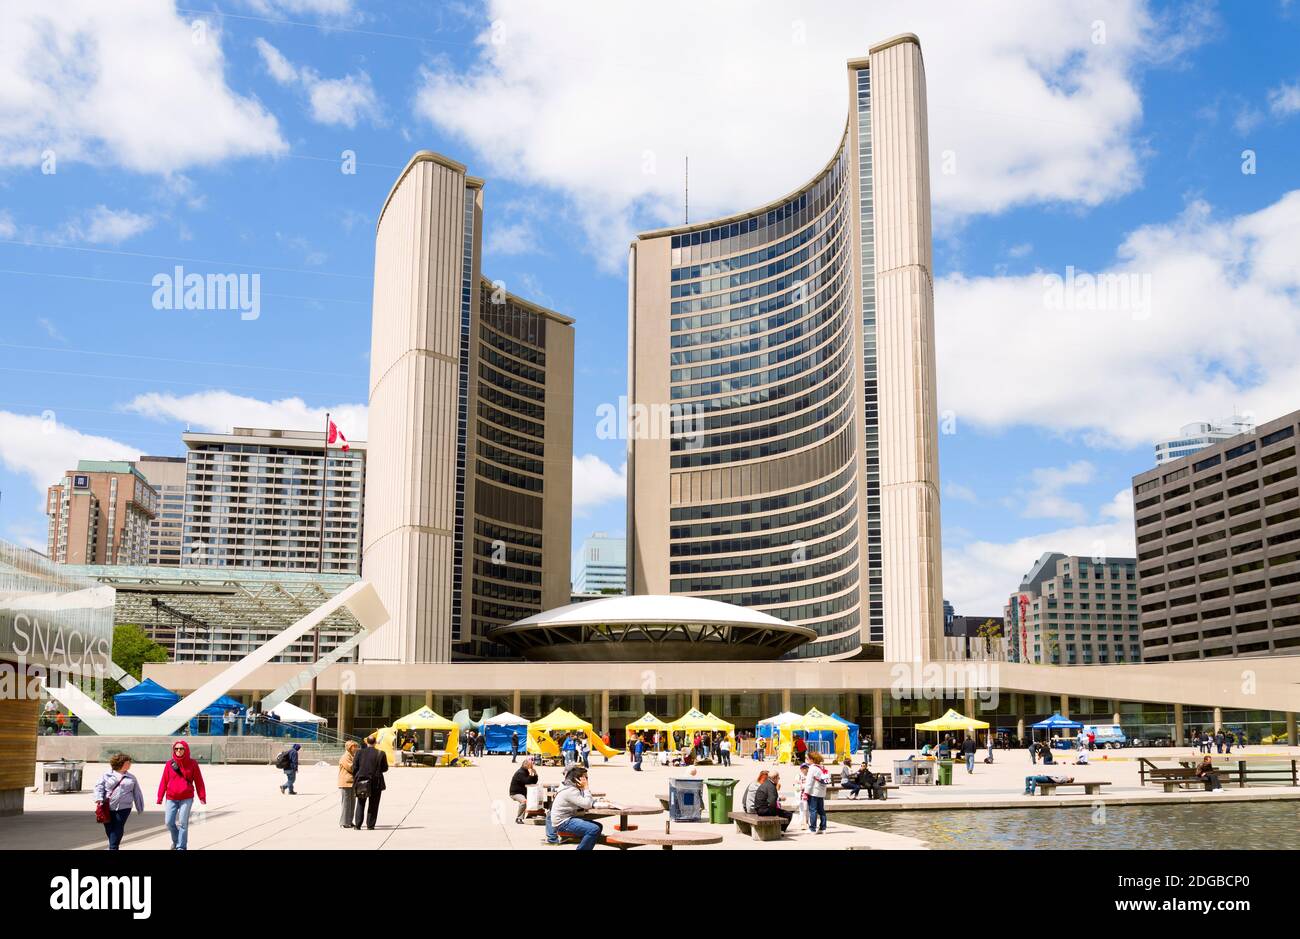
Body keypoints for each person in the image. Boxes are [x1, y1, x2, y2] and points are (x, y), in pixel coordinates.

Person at [157, 740, 206, 851]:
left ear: (186, 749)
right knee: (169, 822)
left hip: (186, 798)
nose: (178, 750)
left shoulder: (193, 763)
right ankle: (176, 841)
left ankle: (181, 847)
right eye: (176, 749)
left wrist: (202, 796)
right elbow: (164, 781)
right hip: (171, 798)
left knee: (183, 823)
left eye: (181, 748)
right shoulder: (169, 764)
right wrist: (160, 797)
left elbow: (199, 781)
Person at [94, 753, 144, 850]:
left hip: (124, 807)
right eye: (128, 763)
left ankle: (113, 847)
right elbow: (99, 787)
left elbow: (137, 792)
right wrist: (98, 798)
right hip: (107, 806)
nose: (130, 764)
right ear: (121, 763)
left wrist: (139, 806)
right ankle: (113, 844)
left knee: (118, 827)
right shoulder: (107, 775)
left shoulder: (131, 777)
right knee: (109, 828)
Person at [550, 765, 601, 850]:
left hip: (567, 818)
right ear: (577, 779)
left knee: (598, 826)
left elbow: (584, 801)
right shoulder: (570, 790)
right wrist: (586, 788)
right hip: (563, 822)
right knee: (593, 829)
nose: (587, 781)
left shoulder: (571, 787)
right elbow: (587, 804)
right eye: (585, 778)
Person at [352, 733, 388, 830]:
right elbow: (385, 768)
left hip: (362, 781)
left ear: (366, 742)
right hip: (376, 782)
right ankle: (370, 825)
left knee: (360, 803)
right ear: (375, 742)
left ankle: (358, 825)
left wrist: (357, 777)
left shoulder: (359, 753)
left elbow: (354, 767)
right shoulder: (381, 753)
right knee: (373, 804)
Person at [803, 751, 830, 834]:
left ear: (812, 759)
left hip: (813, 792)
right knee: (821, 810)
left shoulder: (812, 768)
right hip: (821, 792)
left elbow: (809, 782)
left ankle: (812, 829)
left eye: (808, 758)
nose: (807, 760)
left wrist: (805, 792)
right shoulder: (822, 768)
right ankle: (823, 828)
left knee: (813, 810)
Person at [509, 757, 540, 823]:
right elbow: (527, 782)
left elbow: (534, 782)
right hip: (515, 793)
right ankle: (518, 818)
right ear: (527, 765)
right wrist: (531, 774)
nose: (532, 766)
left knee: (535, 798)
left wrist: (535, 774)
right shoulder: (520, 772)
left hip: (523, 792)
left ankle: (531, 814)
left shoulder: (526, 771)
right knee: (524, 801)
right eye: (531, 765)